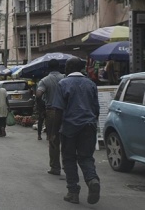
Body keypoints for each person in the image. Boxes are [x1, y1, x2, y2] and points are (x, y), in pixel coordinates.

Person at [52, 57, 100, 205]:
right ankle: (92, 180)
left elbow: (58, 110)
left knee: (69, 159)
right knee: (86, 157)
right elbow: (96, 109)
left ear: (70, 68)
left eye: (66, 66)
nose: (65, 68)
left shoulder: (63, 84)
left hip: (69, 127)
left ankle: (73, 192)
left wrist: (53, 132)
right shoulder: (91, 84)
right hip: (89, 126)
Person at [36, 59, 65, 175]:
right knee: (67, 140)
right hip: (66, 112)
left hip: (52, 112)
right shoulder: (65, 78)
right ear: (59, 67)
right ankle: (68, 166)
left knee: (53, 139)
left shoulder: (45, 80)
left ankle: (55, 167)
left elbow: (38, 95)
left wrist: (41, 110)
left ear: (48, 68)